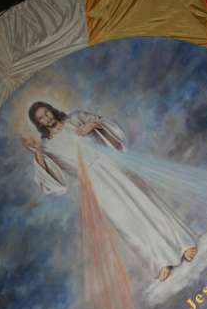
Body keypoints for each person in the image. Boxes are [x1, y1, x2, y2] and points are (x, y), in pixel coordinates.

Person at [22, 101, 197, 281]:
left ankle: (182, 244)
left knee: (146, 203)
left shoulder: (75, 118)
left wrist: (92, 125)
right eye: (40, 118)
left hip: (111, 164)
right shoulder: (47, 147)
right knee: (126, 221)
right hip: (93, 182)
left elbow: (106, 124)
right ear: (38, 123)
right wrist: (36, 152)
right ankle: (159, 261)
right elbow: (52, 180)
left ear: (51, 110)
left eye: (46, 113)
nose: (46, 118)